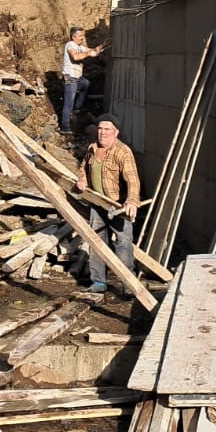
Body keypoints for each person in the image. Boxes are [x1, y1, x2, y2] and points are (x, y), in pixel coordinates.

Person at [75, 113, 140, 295]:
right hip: (97, 203)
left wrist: (131, 201)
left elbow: (133, 180)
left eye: (107, 129)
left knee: (123, 244)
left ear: (116, 132)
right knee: (96, 242)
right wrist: (82, 179)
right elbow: (83, 167)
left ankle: (128, 284)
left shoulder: (122, 152)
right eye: (100, 129)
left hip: (117, 206)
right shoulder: (92, 148)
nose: (102, 133)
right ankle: (98, 282)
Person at [59, 27, 105, 133]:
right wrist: (88, 53)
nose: (82, 38)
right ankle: (65, 127)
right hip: (69, 77)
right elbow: (75, 57)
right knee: (69, 102)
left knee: (85, 84)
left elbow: (92, 52)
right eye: (80, 36)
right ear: (73, 37)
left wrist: (101, 47)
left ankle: (77, 108)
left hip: (77, 78)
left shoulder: (80, 47)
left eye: (83, 35)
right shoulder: (70, 45)